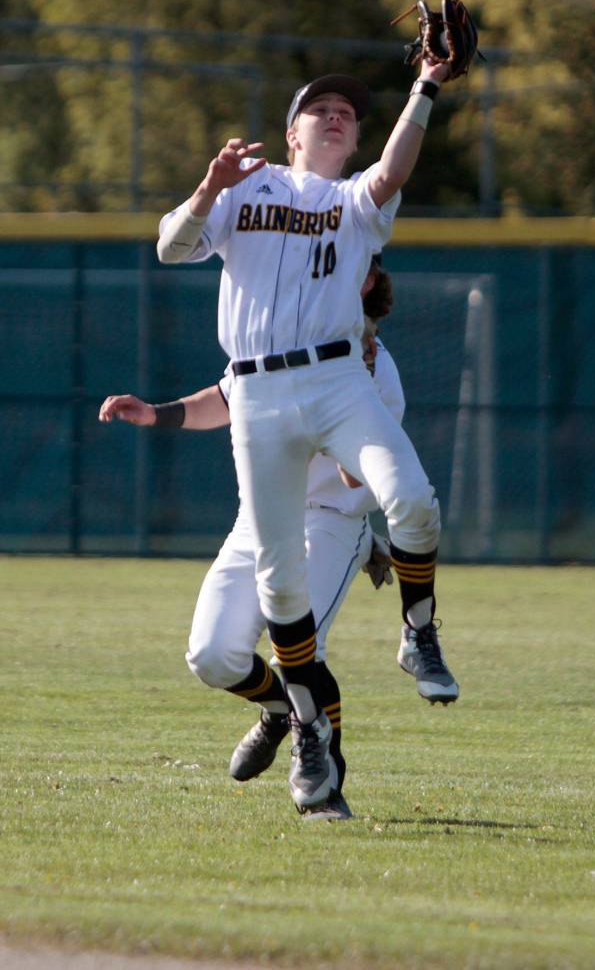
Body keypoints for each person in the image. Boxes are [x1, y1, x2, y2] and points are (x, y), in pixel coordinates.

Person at [155, 57, 458, 811]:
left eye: (348, 114)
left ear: (355, 141)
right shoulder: (244, 190)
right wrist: (207, 187)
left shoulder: (355, 201)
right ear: (290, 133)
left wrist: (425, 86)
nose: (335, 115)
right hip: (256, 389)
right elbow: (170, 246)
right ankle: (306, 732)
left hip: (333, 378)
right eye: (319, 108)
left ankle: (418, 633)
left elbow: (391, 174)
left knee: (415, 500)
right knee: (273, 591)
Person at [100, 261, 414, 821]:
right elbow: (222, 400)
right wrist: (154, 414)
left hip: (331, 520)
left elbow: (355, 477)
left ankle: (321, 783)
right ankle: (284, 710)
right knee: (213, 655)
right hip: (263, 513)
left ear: (363, 283)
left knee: (299, 643)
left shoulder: (377, 371)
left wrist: (353, 401)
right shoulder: (273, 335)